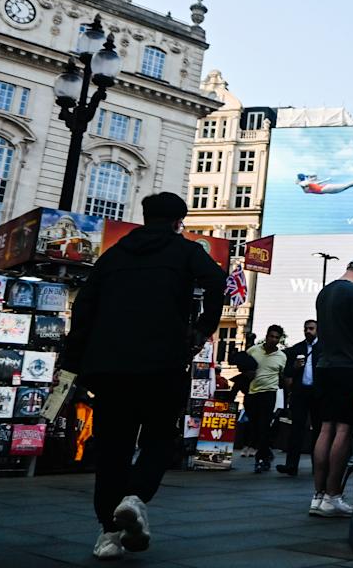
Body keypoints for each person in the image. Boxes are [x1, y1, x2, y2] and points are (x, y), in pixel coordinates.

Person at [63, 192, 226, 560]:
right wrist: (202, 329)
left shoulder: (114, 255)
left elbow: (84, 307)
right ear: (177, 221)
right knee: (158, 437)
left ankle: (107, 534)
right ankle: (136, 497)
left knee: (112, 449)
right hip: (161, 361)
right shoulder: (184, 250)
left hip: (109, 367)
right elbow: (217, 281)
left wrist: (74, 359)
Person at [309, 257, 353, 517]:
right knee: (344, 429)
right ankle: (334, 496)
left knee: (325, 429)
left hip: (325, 366)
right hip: (349, 367)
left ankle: (318, 495)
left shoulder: (325, 292)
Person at [277, 319, 320, 477]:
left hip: (317, 394)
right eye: (306, 329)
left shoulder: (323, 348)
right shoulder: (297, 349)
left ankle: (318, 465)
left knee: (319, 429)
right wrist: (294, 368)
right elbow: (287, 372)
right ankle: (291, 464)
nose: (308, 331)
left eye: (311, 328)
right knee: (296, 429)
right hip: (300, 393)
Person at [244, 324, 287, 473]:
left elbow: (283, 377)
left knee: (263, 426)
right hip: (251, 392)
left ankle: (261, 459)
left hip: (269, 393)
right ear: (267, 336)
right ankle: (267, 453)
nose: (273, 340)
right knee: (254, 425)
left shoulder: (282, 357)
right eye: (271, 336)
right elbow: (243, 366)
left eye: (276, 337)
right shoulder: (253, 350)